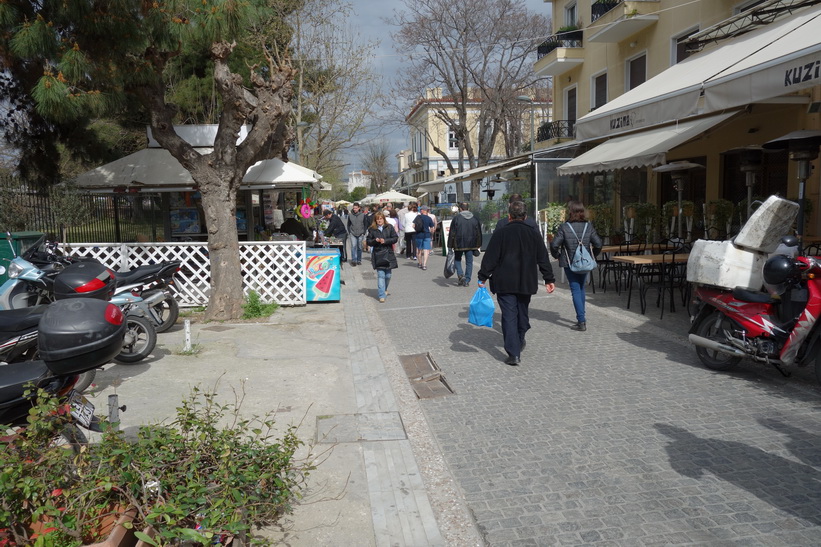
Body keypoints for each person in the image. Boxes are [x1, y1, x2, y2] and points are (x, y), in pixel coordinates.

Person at [477, 201, 556, 366]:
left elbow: (490, 257)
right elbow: (543, 257)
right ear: (525, 216)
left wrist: (482, 276)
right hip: (526, 281)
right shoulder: (534, 234)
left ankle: (514, 353)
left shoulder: (501, 233)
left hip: (504, 281)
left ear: (509, 216)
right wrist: (549, 278)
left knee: (509, 315)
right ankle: (518, 341)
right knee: (522, 311)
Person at [550, 200, 602, 332]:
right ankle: (581, 317)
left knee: (575, 290)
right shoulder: (588, 226)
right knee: (581, 288)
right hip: (584, 262)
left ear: (571, 212)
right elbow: (599, 244)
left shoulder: (564, 227)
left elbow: (554, 245)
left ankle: (581, 321)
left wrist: (557, 255)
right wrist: (592, 256)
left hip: (570, 263)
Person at [366, 212, 398, 303]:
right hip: (378, 254)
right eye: (377, 219)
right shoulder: (372, 229)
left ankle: (385, 289)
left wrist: (386, 241)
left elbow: (395, 238)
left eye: (381, 219)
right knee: (381, 275)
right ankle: (381, 295)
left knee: (388, 275)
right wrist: (375, 241)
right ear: (375, 220)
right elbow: (368, 241)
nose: (379, 220)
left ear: (384, 219)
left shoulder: (389, 227)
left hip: (388, 253)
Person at [448, 202, 482, 287]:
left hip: (458, 243)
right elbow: (478, 232)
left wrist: (450, 245)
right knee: (469, 262)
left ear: (460, 209)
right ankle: (467, 280)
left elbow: (452, 232)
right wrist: (478, 244)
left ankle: (460, 274)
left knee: (457, 259)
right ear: (468, 209)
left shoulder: (456, 218)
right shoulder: (475, 219)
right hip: (471, 244)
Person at [413, 204, 435, 270]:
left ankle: (420, 263)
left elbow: (413, 226)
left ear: (422, 210)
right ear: (426, 211)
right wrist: (431, 233)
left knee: (419, 250)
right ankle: (424, 264)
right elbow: (432, 229)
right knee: (426, 250)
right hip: (427, 235)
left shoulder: (418, 217)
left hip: (419, 235)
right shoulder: (429, 218)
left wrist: (417, 230)